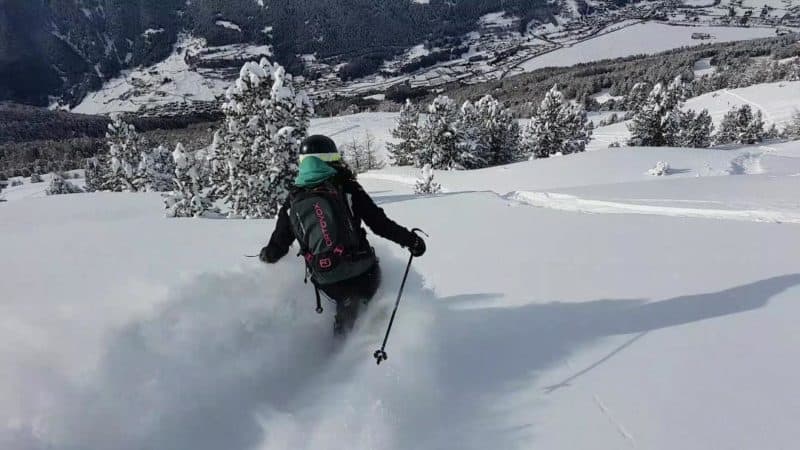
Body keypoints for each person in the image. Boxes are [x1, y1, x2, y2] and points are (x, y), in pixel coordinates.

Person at [260, 135, 426, 335]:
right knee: (367, 296)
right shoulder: (347, 188)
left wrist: (266, 255)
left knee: (345, 305)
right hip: (363, 272)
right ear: (332, 158)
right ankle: (377, 334)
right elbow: (380, 224)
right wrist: (411, 241)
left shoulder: (293, 199)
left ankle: (341, 340)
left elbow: (277, 248)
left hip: (326, 279)